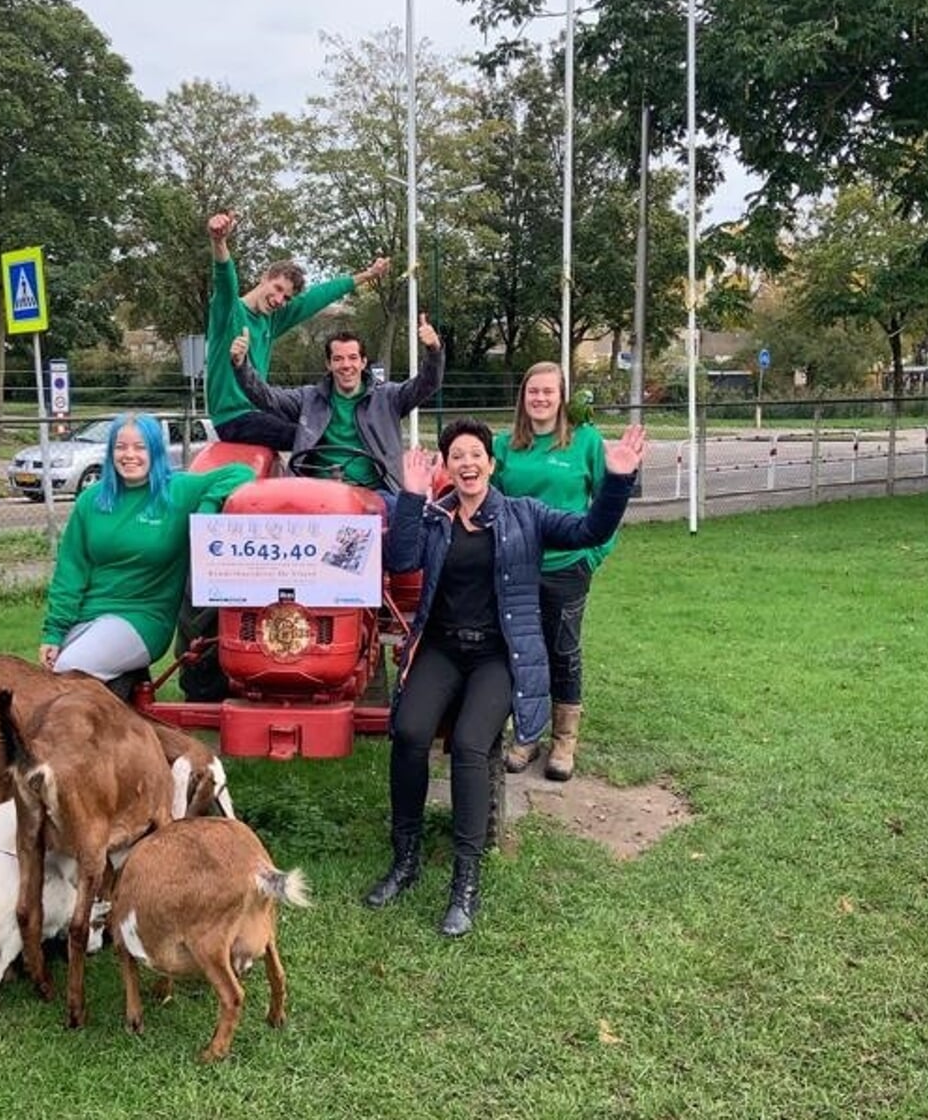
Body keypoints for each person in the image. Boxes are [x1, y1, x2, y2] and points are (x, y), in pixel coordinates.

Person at [365, 418, 647, 936]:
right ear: (447, 469)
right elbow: (400, 559)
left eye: (476, 454)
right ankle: (404, 861)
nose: (467, 463)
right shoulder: (434, 518)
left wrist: (617, 480)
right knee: (408, 733)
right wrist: (410, 496)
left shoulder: (524, 515)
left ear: (491, 465)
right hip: (443, 648)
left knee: (473, 745)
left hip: (499, 654)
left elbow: (590, 531)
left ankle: (464, 882)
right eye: (457, 457)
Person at [40, 413, 254, 682]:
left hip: (142, 616)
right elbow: (70, 572)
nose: (129, 455)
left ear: (155, 451)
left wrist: (208, 507)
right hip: (87, 614)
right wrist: (54, 632)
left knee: (69, 672)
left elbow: (242, 472)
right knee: (44, 677)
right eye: (120, 447)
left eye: (139, 447)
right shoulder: (90, 501)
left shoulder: (178, 491)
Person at [491, 362, 614, 781]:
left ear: (562, 397)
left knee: (562, 650)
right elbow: (489, 503)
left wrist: (593, 554)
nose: (540, 399)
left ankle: (565, 739)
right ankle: (527, 733)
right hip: (516, 567)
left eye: (548, 391)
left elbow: (609, 501)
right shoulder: (505, 447)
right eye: (532, 392)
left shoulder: (586, 442)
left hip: (567, 567)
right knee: (520, 650)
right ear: (523, 398)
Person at [205, 210, 390, 449]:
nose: (279, 300)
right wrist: (219, 241)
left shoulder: (270, 320)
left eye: (286, 297)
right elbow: (225, 280)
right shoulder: (229, 312)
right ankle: (330, 480)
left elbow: (316, 297)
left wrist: (368, 275)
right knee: (313, 438)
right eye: (278, 288)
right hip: (234, 419)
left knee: (321, 421)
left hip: (259, 410)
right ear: (265, 278)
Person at [231, 314, 443, 490]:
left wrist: (434, 350)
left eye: (352, 358)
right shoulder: (309, 398)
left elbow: (427, 383)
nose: (346, 365)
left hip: (376, 490)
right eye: (338, 359)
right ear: (328, 364)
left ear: (363, 362)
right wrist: (242, 366)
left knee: (400, 519)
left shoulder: (389, 397)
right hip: (319, 490)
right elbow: (268, 398)